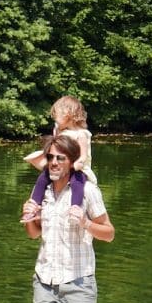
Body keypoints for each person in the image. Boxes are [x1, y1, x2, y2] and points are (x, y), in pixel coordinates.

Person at [21, 134, 115, 303]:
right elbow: (34, 233)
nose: (53, 163)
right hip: (45, 280)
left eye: (60, 158)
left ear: (72, 162)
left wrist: (85, 223)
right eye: (50, 157)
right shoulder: (43, 193)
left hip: (78, 280)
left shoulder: (86, 192)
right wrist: (29, 217)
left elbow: (108, 233)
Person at [22, 95, 96, 223]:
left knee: (76, 182)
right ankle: (33, 207)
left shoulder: (81, 134)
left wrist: (78, 163)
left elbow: (83, 155)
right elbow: (54, 146)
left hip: (77, 168)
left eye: (57, 114)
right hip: (61, 166)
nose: (54, 117)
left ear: (69, 114)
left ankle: (75, 209)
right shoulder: (58, 130)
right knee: (42, 179)